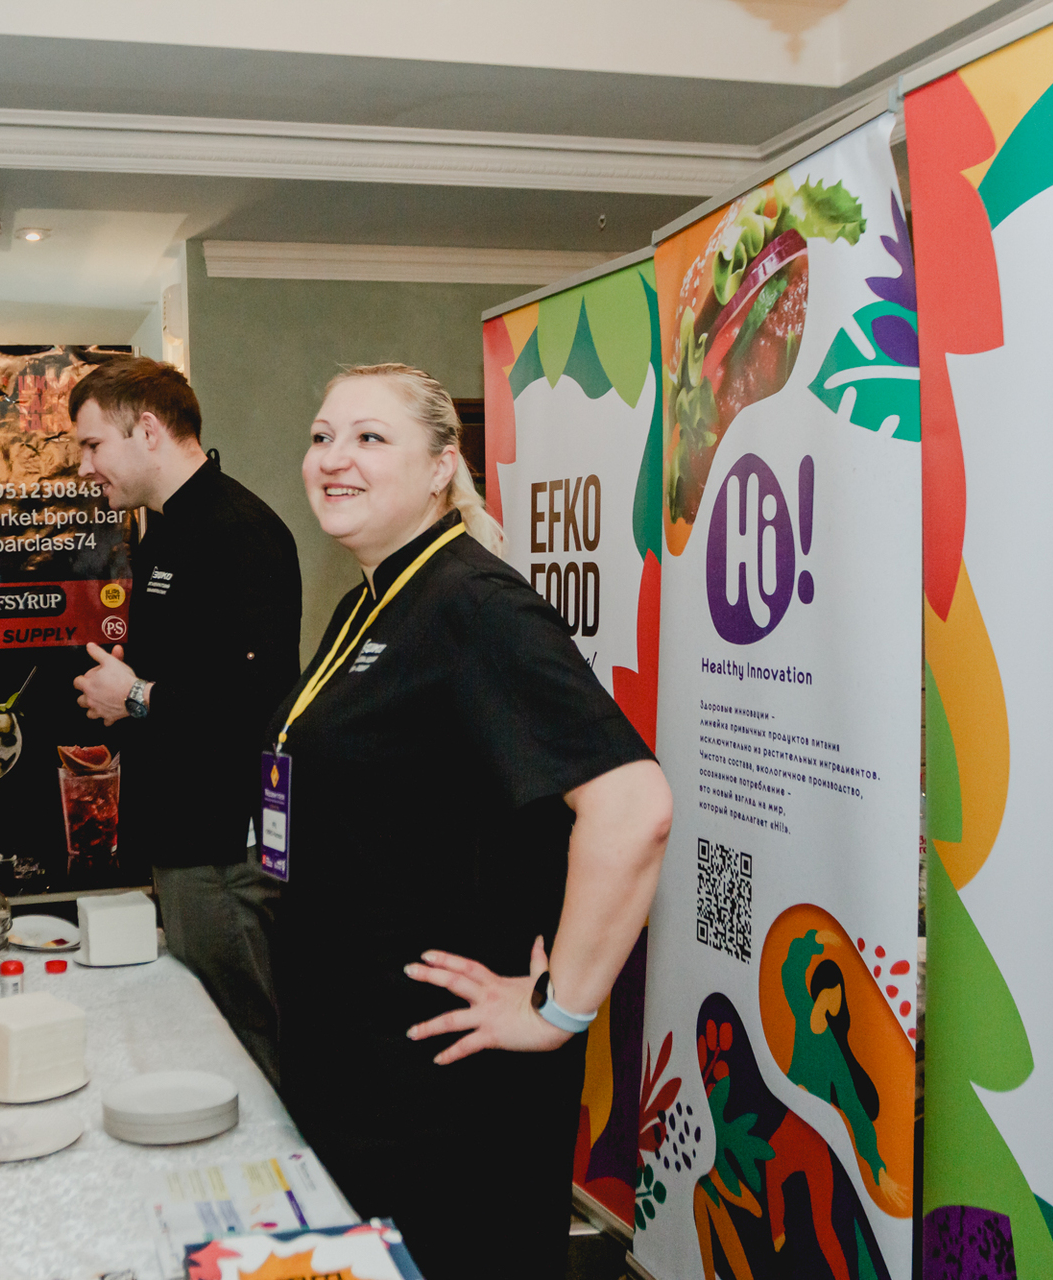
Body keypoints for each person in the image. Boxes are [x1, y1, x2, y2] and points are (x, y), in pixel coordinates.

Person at [267, 363, 671, 1280]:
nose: (334, 458)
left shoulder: (474, 606)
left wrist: (558, 1008)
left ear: (441, 465)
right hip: (360, 1051)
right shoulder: (374, 599)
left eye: (371, 438)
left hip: (440, 1082)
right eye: (323, 436)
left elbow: (633, 804)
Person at [69, 357, 301, 1086]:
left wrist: (137, 696)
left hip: (223, 853)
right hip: (181, 843)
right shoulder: (166, 532)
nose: (84, 467)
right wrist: (122, 690)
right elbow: (188, 676)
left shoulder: (240, 531)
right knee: (208, 1047)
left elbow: (258, 703)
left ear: (147, 430)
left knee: (247, 1053)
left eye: (93, 444)